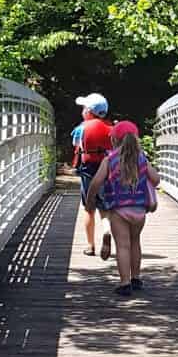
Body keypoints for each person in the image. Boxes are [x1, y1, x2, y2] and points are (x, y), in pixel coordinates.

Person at [84, 120, 160, 297]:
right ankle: (136, 278)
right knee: (135, 242)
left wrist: (90, 201)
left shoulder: (109, 160)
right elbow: (156, 179)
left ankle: (125, 283)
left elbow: (95, 183)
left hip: (119, 210)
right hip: (140, 210)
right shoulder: (142, 159)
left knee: (123, 246)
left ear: (114, 141)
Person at [73, 92, 114, 258]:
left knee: (89, 208)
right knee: (104, 207)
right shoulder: (111, 129)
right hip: (106, 170)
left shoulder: (80, 129)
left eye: (84, 108)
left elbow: (76, 144)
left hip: (88, 170)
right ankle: (107, 230)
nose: (82, 110)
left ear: (88, 112)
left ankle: (90, 246)